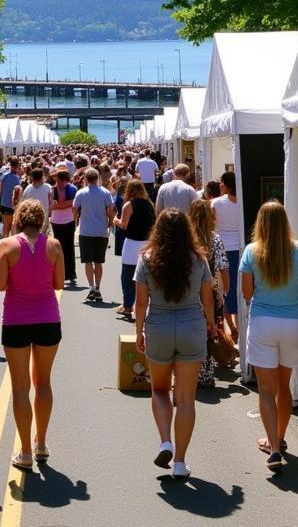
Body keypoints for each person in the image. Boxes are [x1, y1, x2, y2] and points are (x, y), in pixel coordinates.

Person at [134, 207, 215, 480]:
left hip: (159, 325)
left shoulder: (146, 259)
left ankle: (165, 441)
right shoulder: (199, 260)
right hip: (191, 325)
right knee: (186, 398)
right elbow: (207, 298)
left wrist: (138, 332)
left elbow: (141, 302)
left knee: (158, 390)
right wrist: (212, 324)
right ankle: (180, 462)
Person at [239, 201, 298, 471]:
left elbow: (247, 294)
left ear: (260, 223)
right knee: (284, 387)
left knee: (266, 390)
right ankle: (281, 437)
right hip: (293, 321)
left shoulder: (251, 252)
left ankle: (273, 447)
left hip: (263, 322)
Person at [0, 199, 63, 470]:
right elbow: (59, 282)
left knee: (20, 386)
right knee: (43, 382)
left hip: (16, 319)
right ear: (41, 220)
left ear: (20, 219)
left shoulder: (8, 246)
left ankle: (24, 451)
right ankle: (42, 443)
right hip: (47, 317)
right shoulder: (54, 246)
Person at [189, 198, 230, 388]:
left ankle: (188, 372)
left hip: (188, 290)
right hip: (210, 289)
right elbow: (223, 266)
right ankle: (205, 373)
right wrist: (225, 289)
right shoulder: (215, 239)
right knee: (208, 330)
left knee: (189, 330)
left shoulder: (187, 238)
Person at [113, 179, 156, 321]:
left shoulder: (129, 205)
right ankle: (149, 304)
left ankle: (127, 306)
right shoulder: (150, 204)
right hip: (147, 243)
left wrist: (115, 220)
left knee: (127, 275)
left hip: (132, 244)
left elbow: (124, 225)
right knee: (146, 276)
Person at [72, 167, 116, 302]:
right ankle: (97, 288)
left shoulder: (81, 192)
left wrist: (76, 221)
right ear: (97, 178)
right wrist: (109, 222)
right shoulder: (105, 192)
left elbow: (74, 209)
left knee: (87, 262)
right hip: (101, 230)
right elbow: (110, 209)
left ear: (86, 179)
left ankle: (91, 287)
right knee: (98, 262)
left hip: (86, 230)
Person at [212, 172, 243, 340]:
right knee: (238, 287)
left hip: (222, 249)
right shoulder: (243, 202)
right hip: (239, 247)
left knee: (223, 290)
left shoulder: (216, 203)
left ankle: (230, 327)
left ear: (225, 184)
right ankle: (237, 326)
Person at [50, 169, 78, 286]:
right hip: (57, 222)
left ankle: (70, 273)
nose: (61, 183)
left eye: (62, 180)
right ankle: (61, 273)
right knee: (59, 248)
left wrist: (59, 205)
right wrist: (67, 203)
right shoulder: (52, 190)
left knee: (69, 247)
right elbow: (53, 206)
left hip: (69, 220)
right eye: (59, 180)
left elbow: (74, 203)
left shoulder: (72, 189)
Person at [21, 167, 53, 234]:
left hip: (30, 219)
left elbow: (23, 203)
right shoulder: (48, 188)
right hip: (44, 219)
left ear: (32, 177)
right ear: (42, 176)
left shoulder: (27, 189)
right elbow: (52, 202)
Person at [0, 157, 23, 238]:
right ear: (17, 166)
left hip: (4, 204)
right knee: (13, 227)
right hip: (14, 205)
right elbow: (18, 193)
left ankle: (6, 243)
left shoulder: (4, 176)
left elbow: (0, 189)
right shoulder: (17, 178)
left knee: (6, 227)